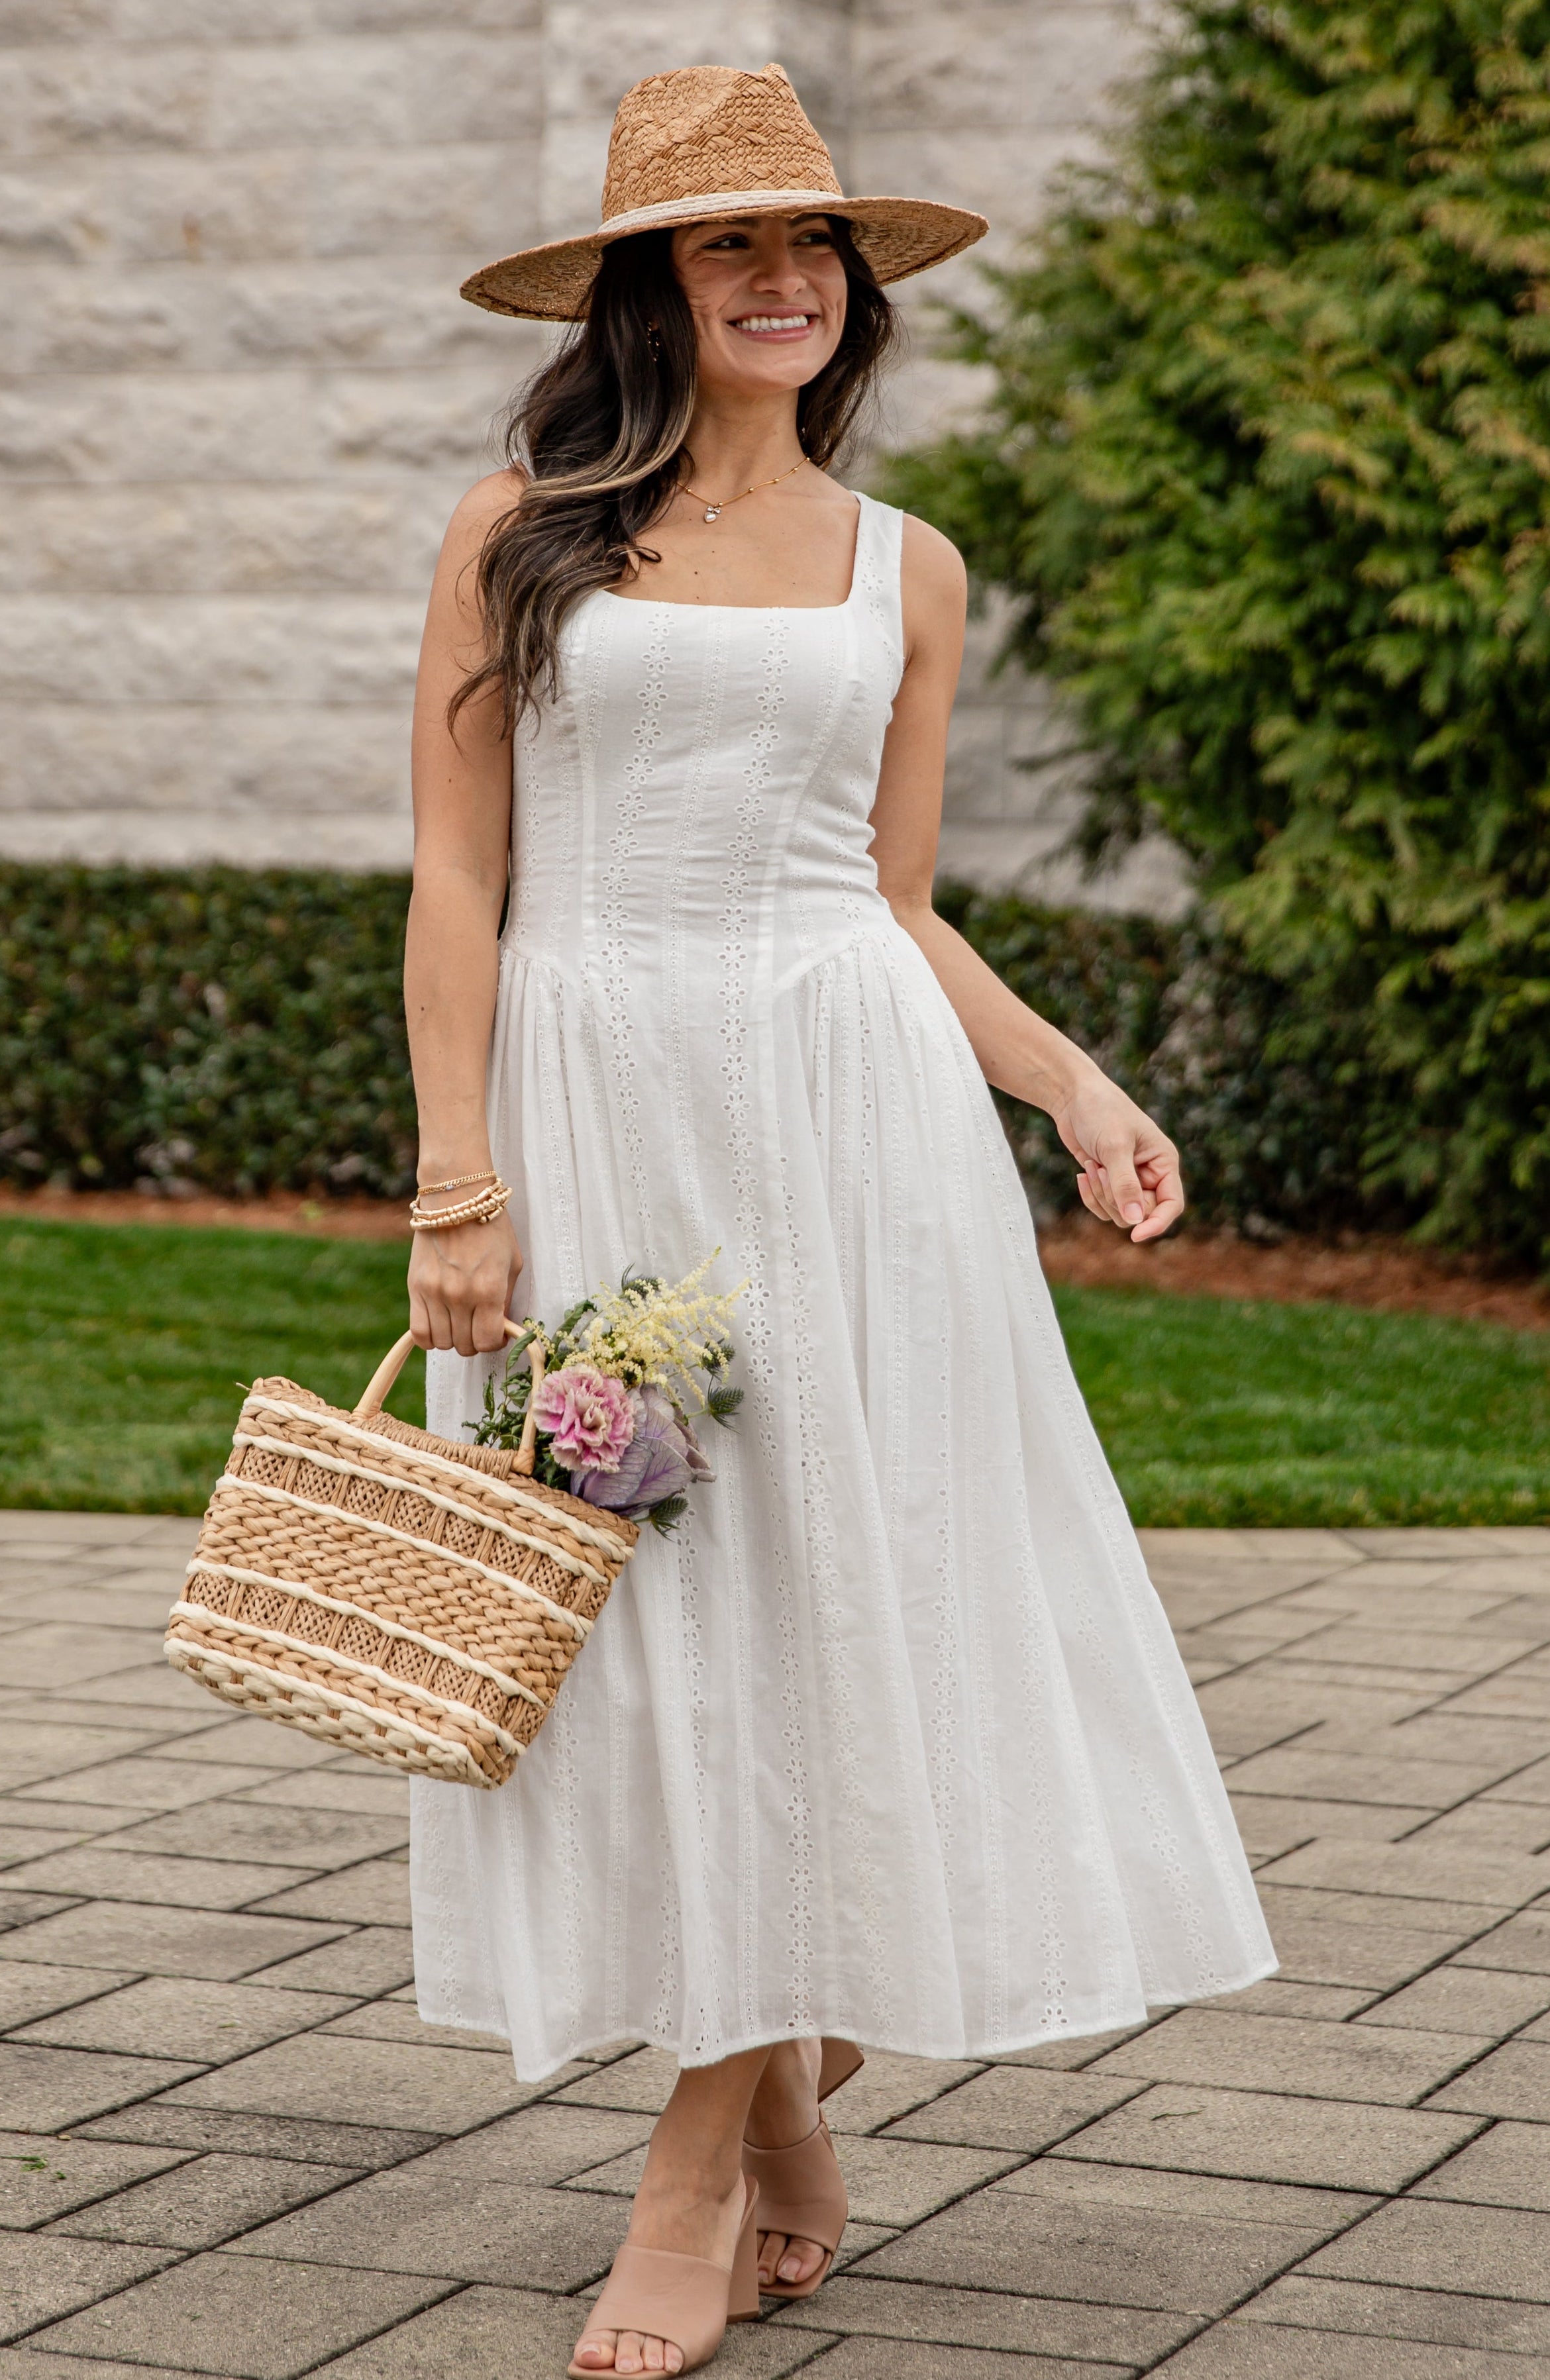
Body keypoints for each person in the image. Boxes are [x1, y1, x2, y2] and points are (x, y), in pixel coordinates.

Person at [402, 62, 1274, 2379]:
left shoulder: (913, 567)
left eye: (817, 251)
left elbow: (891, 906)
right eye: (730, 247)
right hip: (599, 1113)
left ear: (852, 292)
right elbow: (464, 872)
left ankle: (687, 2171)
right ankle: (784, 2091)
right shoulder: (522, 525)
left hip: (850, 1129)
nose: (787, 282)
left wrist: (1079, 1087)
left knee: (816, 1603)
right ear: (649, 289)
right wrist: (455, 1179)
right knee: (643, 1623)